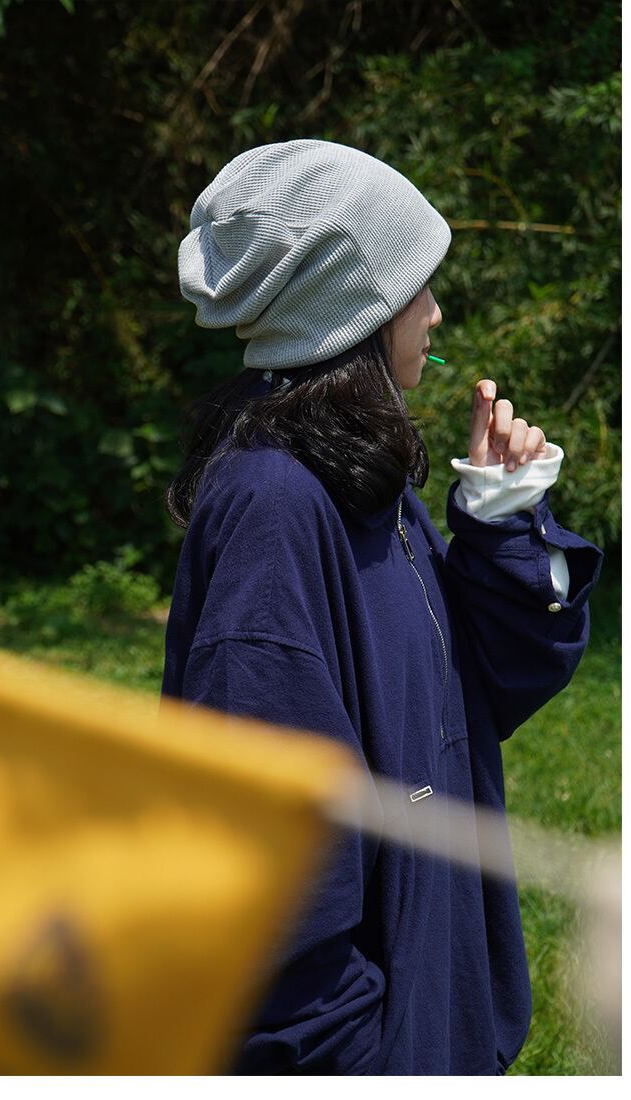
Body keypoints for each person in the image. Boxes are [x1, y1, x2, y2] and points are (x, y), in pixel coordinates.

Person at [160, 139, 604, 1075]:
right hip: (358, 1051)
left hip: (431, 1008)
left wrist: (500, 519)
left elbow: (478, 694)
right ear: (354, 308)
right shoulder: (274, 509)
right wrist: (354, 1060)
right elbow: (266, 851)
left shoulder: (362, 479)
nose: (435, 311)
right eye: (417, 286)